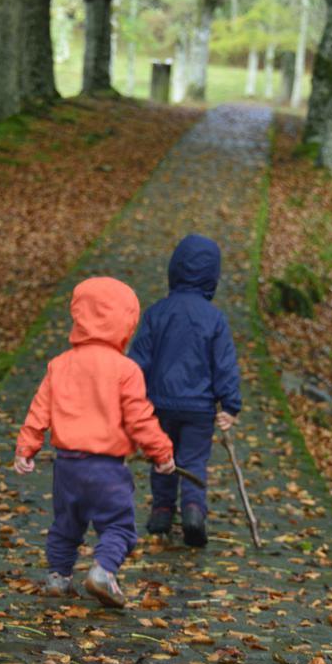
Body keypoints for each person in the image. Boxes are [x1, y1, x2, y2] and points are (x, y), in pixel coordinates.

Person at [13, 276, 175, 608]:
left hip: (67, 466)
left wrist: (26, 447)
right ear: (126, 323)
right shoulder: (125, 369)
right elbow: (139, 418)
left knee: (66, 524)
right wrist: (161, 452)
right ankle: (103, 572)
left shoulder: (60, 365)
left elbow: (39, 409)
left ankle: (58, 578)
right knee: (118, 525)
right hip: (106, 468)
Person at [129, 234, 242, 546]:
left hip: (159, 404)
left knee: (161, 455)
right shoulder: (215, 319)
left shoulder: (157, 313)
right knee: (193, 460)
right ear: (212, 276)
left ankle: (163, 510)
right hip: (199, 408)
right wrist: (230, 405)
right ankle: (193, 510)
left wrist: (131, 397)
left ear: (174, 270)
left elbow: (139, 360)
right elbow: (224, 364)